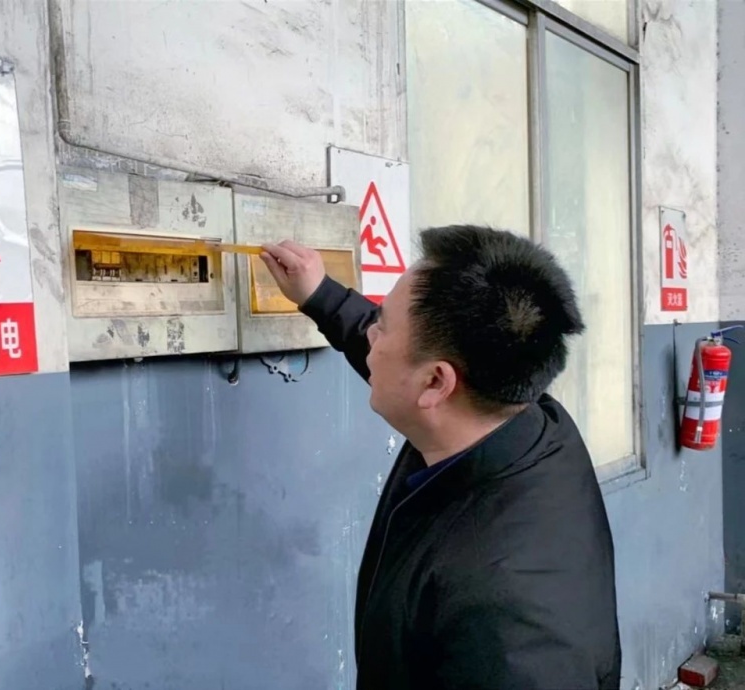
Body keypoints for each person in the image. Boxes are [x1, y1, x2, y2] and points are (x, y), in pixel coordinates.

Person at [260, 225, 622, 690]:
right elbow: (400, 363)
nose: (371, 335)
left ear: (436, 383)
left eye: (382, 326)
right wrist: (320, 295)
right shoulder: (522, 419)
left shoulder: (506, 626)